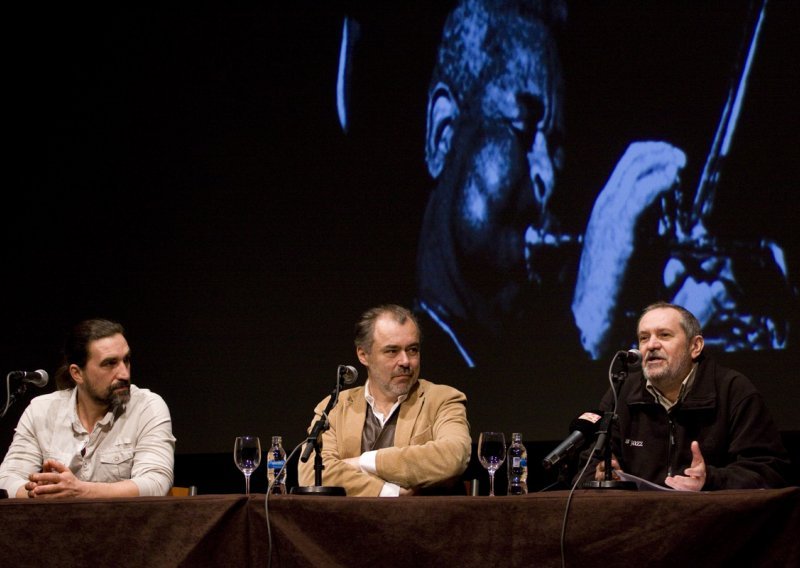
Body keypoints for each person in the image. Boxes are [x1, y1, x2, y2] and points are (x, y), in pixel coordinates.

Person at [416, 0, 793, 367]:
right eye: (524, 127)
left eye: (557, 145)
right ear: (442, 133)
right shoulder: (404, 359)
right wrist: (591, 317)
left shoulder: (514, 349)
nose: (547, 172)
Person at [578, 302, 791, 490]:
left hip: (713, 524)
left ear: (695, 346)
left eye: (664, 335)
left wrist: (711, 479)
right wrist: (603, 476)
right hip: (642, 523)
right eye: (644, 338)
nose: (651, 345)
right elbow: (585, 467)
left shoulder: (733, 390)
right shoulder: (621, 393)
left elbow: (769, 470)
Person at [297, 304, 472, 496]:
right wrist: (390, 492)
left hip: (424, 522)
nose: (405, 361)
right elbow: (312, 473)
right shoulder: (335, 407)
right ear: (363, 355)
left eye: (412, 350)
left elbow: (453, 456)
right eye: (392, 351)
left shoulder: (443, 400)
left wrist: (364, 462)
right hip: (349, 523)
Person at [0, 318, 176, 498]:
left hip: (124, 525)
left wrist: (81, 491)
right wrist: (43, 493)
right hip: (54, 525)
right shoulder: (42, 411)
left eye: (127, 360)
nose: (124, 373)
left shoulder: (147, 407)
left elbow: (156, 483)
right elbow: (7, 479)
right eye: (110, 363)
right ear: (77, 373)